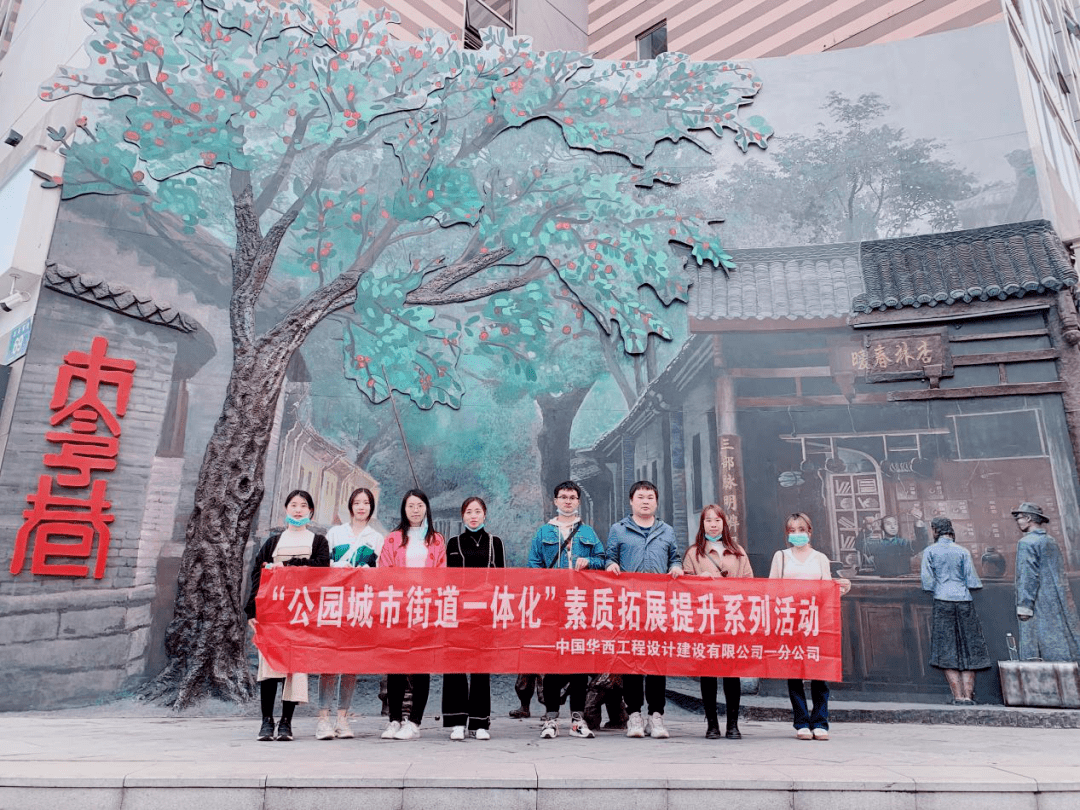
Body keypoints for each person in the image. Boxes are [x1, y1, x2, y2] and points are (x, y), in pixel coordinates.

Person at [245, 489, 330, 742]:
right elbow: (257, 576)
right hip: (273, 613)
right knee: (269, 666)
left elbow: (321, 569)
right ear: (286, 509)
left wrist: (288, 566)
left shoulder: (318, 541)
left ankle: (286, 723)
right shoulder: (272, 542)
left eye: (303, 505)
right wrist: (253, 609)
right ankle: (266, 721)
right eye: (293, 505)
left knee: (295, 668)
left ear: (310, 511)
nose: (298, 509)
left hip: (301, 612)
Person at [527, 480, 606, 739]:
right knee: (552, 662)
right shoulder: (543, 533)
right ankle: (550, 719)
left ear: (578, 501)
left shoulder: (589, 533)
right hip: (553, 606)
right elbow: (533, 566)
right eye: (563, 497)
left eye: (572, 497)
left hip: (580, 606)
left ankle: (577, 720)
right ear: (555, 501)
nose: (568, 501)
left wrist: (590, 562)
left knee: (579, 664)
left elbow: (602, 561)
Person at [606, 480, 683, 739]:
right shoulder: (619, 530)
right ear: (631, 501)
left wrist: (675, 567)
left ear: (656, 502)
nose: (646, 501)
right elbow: (610, 558)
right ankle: (635, 715)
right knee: (633, 660)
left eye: (650, 497)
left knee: (656, 662)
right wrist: (610, 566)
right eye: (641, 497)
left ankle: (656, 715)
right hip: (630, 605)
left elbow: (675, 558)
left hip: (658, 607)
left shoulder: (667, 531)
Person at [768, 512, 850, 741]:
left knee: (819, 672)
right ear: (787, 534)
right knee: (794, 672)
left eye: (801, 529)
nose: (797, 534)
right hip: (790, 620)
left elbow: (827, 587)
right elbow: (772, 589)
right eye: (792, 530)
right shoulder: (781, 557)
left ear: (809, 531)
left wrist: (841, 587)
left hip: (816, 620)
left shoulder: (820, 558)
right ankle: (801, 722)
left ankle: (820, 721)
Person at [378, 489, 446, 740]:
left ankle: (414, 721)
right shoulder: (393, 539)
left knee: (420, 666)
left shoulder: (437, 540)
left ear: (426, 508)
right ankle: (394, 719)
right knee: (395, 665)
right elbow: (384, 571)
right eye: (410, 506)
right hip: (398, 607)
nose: (415, 510)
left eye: (419, 505)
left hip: (425, 608)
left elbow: (441, 573)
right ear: (403, 510)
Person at [316, 487, 382, 740]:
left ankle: (342, 719)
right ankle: (323, 718)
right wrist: (337, 567)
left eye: (366, 503)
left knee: (351, 663)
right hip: (334, 601)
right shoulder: (335, 533)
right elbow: (322, 567)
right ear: (350, 506)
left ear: (371, 507)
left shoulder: (376, 538)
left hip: (359, 604)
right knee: (330, 662)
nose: (361, 507)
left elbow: (380, 574)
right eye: (357, 502)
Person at [683, 504, 752, 739]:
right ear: (702, 525)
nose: (713, 524)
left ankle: (733, 724)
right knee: (708, 673)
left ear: (725, 524)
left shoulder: (738, 552)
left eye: (718, 520)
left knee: (732, 674)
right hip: (705, 620)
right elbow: (684, 585)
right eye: (708, 520)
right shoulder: (694, 553)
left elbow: (749, 584)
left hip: (732, 619)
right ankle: (711, 723)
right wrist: (698, 580)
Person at [443, 496, 505, 741]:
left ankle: (480, 722)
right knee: (456, 665)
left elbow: (500, 580)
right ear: (462, 516)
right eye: (468, 511)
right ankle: (457, 721)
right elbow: (446, 579)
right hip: (457, 613)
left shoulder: (494, 543)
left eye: (477, 511)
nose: (473, 516)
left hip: (485, 614)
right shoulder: (453, 542)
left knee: (481, 668)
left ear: (485, 515)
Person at [920, 516, 991, 705]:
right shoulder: (963, 551)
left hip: (942, 600)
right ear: (951, 531)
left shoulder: (930, 551)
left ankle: (957, 697)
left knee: (946, 649)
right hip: (964, 600)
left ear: (935, 531)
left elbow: (927, 583)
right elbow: (973, 581)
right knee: (969, 648)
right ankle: (968, 696)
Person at [1012, 502, 1080, 662]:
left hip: (1038, 603)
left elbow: (1027, 577)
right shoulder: (1050, 541)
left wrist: (1024, 606)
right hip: (1058, 600)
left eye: (1019, 518)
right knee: (1062, 640)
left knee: (1037, 650)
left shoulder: (1026, 543)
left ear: (1028, 518)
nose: (1018, 522)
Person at [855, 510, 928, 576]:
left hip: (903, 581)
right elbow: (859, 545)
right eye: (888, 524)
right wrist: (868, 529)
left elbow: (922, 543)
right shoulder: (877, 544)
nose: (893, 527)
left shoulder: (904, 543)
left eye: (895, 524)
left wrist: (918, 522)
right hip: (883, 582)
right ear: (882, 527)